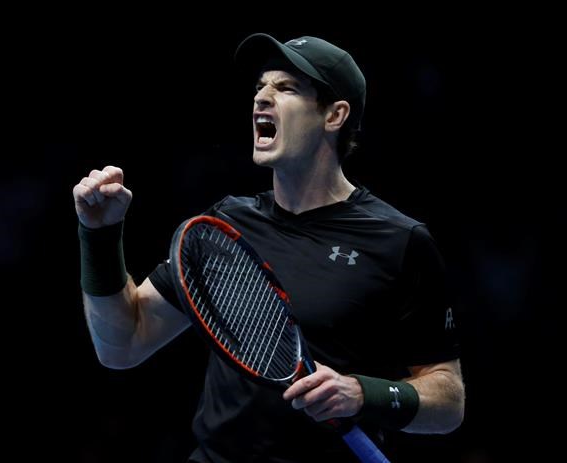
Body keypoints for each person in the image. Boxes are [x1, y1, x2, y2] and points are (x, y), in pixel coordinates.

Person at [73, 33, 465, 462]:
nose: (262, 97)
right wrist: (99, 235)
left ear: (334, 115)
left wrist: (360, 393)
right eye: (260, 86)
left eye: (286, 88)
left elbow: (447, 401)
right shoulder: (223, 228)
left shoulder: (399, 240)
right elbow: (123, 343)